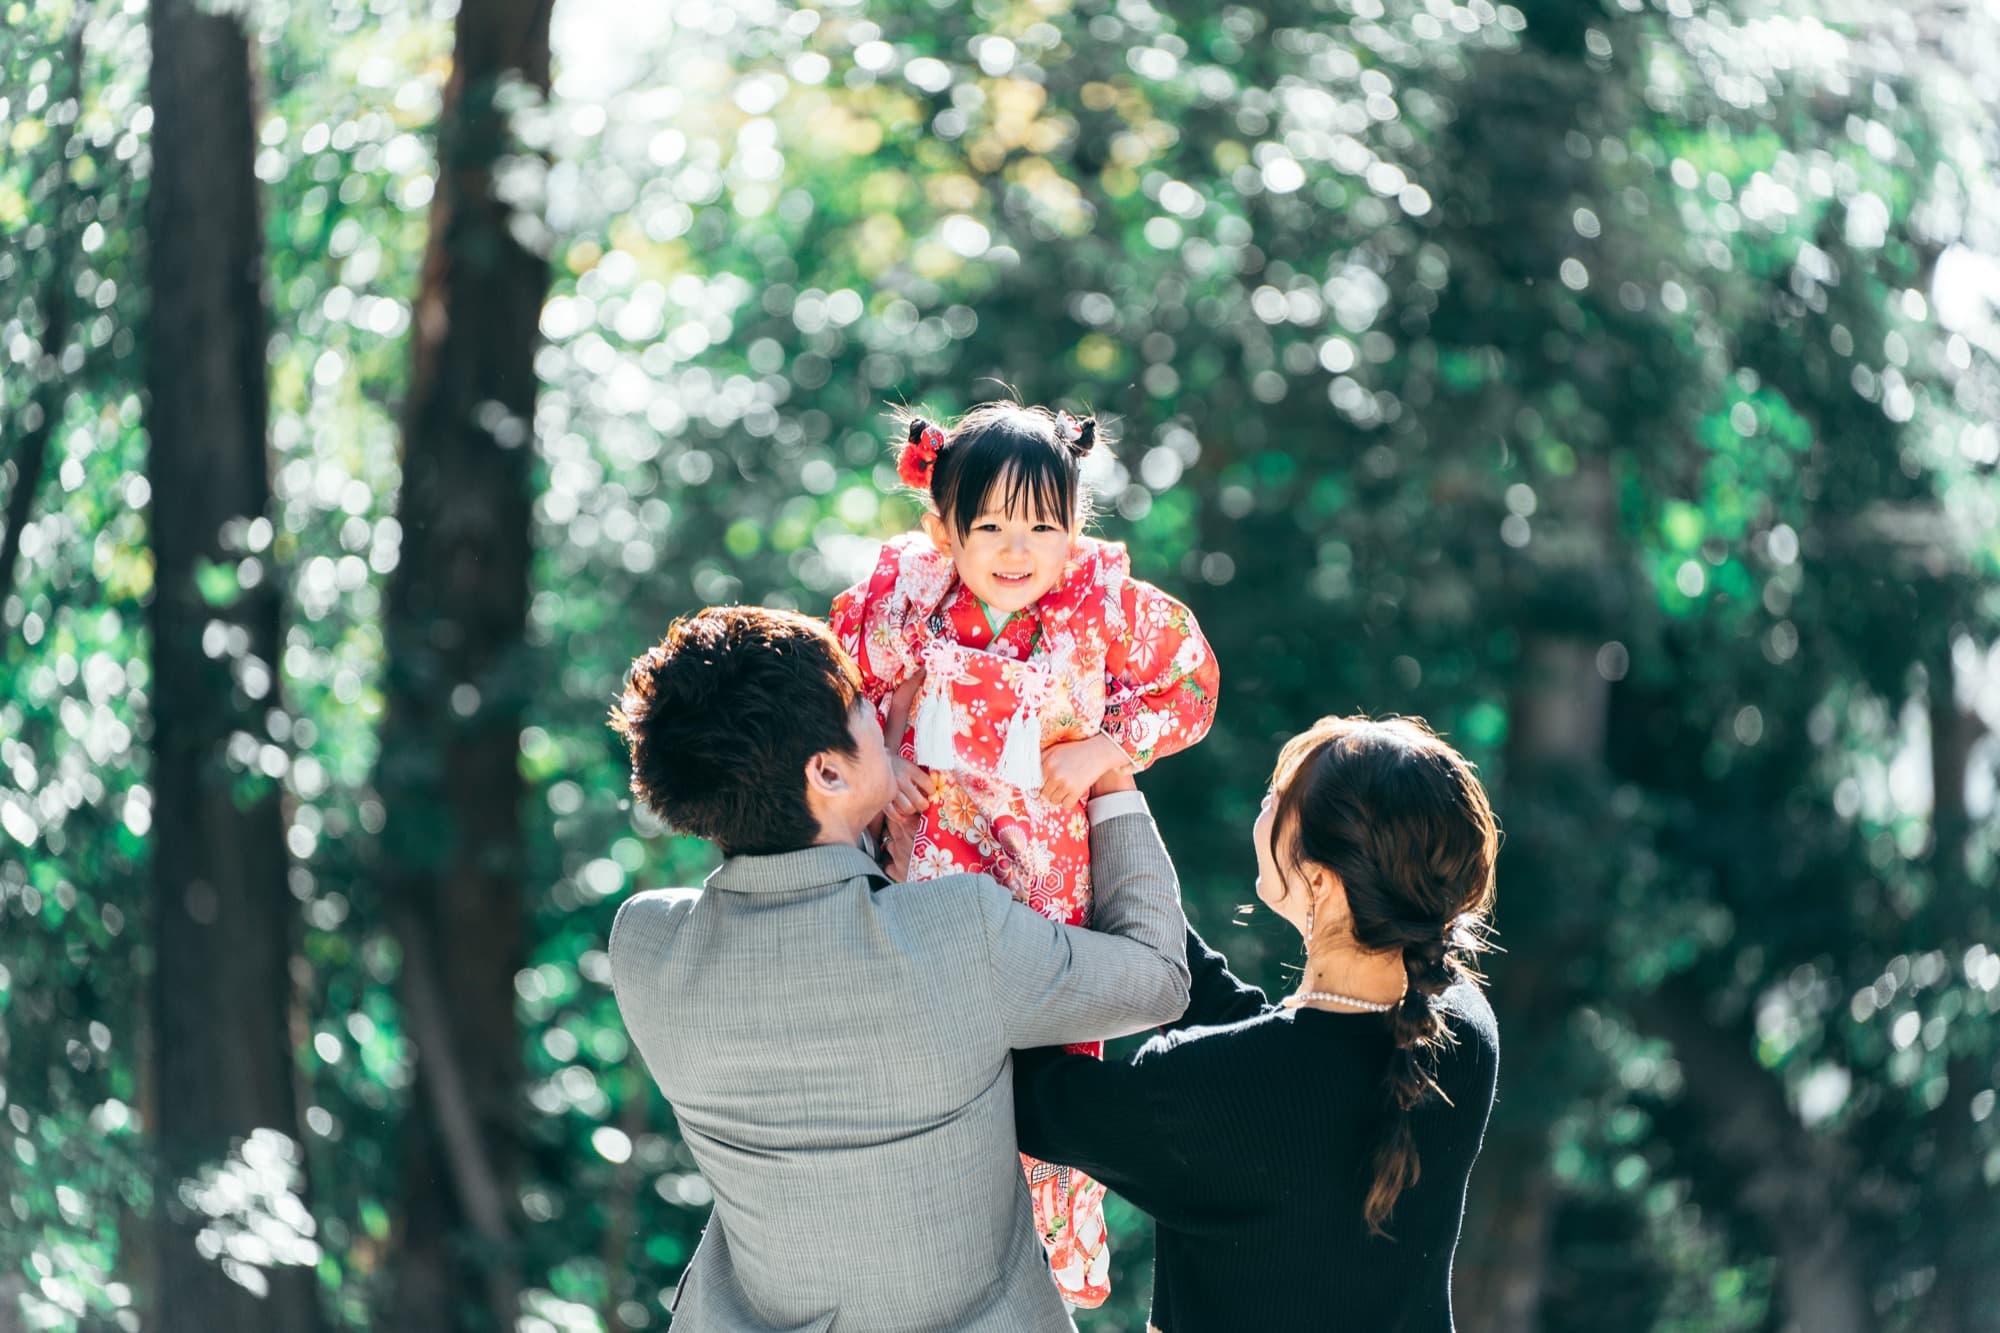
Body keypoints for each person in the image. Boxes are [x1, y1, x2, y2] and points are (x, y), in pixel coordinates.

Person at [604, 606, 1191, 1332]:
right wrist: (1110, 774)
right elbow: (1158, 976)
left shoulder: (645, 946)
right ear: (825, 769)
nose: (883, 707)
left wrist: (872, 828)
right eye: (860, 701)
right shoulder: (959, 932)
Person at [829, 402, 1219, 1306]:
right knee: (934, 1072)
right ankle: (919, 1269)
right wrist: (884, 754)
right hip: (933, 867)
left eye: (1044, 523)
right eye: (992, 524)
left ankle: (1035, 1283)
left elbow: (1192, 682)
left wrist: (1108, 745)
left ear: (1075, 525)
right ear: (943, 528)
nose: (1018, 548)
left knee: (1045, 1091)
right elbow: (837, 686)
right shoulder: (907, 600)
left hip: (1052, 887)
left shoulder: (1105, 605)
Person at [1013, 715, 1501, 1332]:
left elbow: (1035, 1096)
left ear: (1320, 882)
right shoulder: (1457, 1026)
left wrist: (964, 887)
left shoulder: (1214, 1091)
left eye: (1279, 800)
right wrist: (1112, 801)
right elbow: (1269, 1053)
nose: (1263, 805)